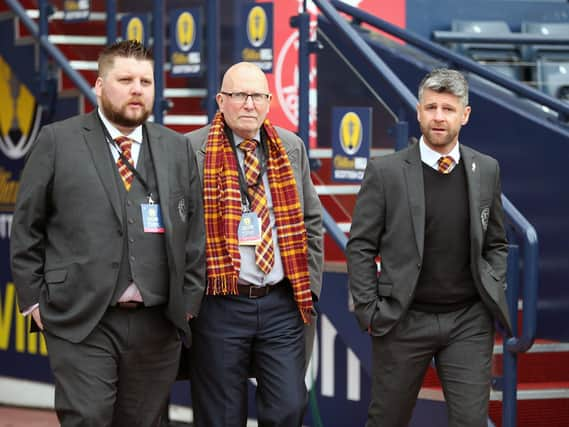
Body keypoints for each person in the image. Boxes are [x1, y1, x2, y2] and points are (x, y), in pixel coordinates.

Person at [10, 40, 205, 426]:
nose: (137, 89)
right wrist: (34, 302)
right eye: (126, 79)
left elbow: (194, 231)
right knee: (88, 418)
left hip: (156, 321)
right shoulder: (57, 140)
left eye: (146, 81)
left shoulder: (176, 148)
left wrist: (188, 300)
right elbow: (26, 227)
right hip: (80, 317)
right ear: (99, 86)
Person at [346, 68, 512, 427]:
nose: (439, 117)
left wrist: (493, 282)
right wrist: (369, 309)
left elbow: (497, 241)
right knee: (387, 419)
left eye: (449, 109)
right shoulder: (385, 171)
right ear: (419, 111)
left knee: (470, 421)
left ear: (464, 116)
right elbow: (360, 245)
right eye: (432, 107)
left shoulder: (486, 169)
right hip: (403, 319)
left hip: (468, 320)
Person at [185, 61, 323, 427]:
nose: (249, 104)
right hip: (219, 304)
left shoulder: (290, 147)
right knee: (221, 417)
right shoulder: (190, 150)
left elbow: (312, 220)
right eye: (239, 95)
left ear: (269, 101)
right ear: (220, 100)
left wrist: (311, 290)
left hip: (280, 302)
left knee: (289, 406)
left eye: (257, 96)